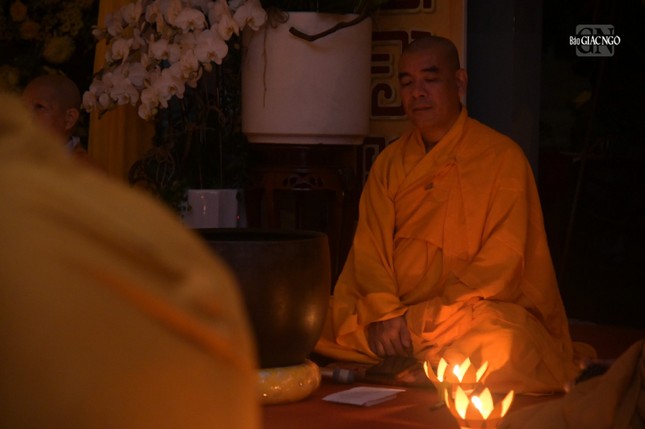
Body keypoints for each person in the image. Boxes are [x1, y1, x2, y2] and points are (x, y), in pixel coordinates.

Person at [314, 36, 593, 394]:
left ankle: (412, 357)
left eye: (430, 79)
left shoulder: (502, 158)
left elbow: (501, 266)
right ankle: (433, 364)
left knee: (509, 339)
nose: (418, 92)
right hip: (393, 321)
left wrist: (420, 320)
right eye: (407, 83)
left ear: (459, 82)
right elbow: (370, 252)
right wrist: (385, 313)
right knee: (314, 319)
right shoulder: (389, 164)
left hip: (461, 318)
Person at [0, 93, 259, 428]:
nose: (29, 114)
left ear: (70, 118)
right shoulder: (165, 245)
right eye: (26, 106)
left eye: (39, 106)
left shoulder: (77, 178)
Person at [21, 74, 103, 171]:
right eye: (24, 108)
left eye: (39, 107)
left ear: (69, 118)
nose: (27, 116)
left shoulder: (85, 170)